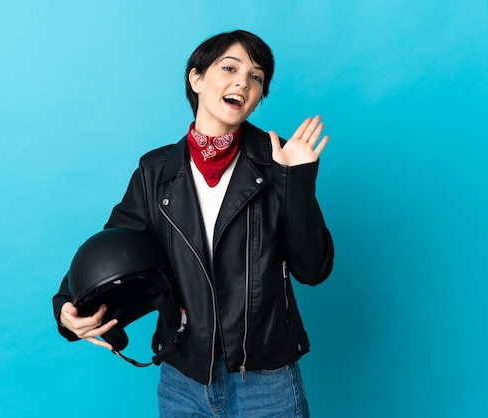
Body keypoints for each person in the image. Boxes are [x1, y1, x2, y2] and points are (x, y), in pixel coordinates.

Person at [52, 29, 334, 417]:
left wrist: (297, 181)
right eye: (230, 68)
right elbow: (116, 245)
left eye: (256, 77)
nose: (243, 82)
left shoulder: (279, 161)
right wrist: (68, 303)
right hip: (183, 378)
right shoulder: (155, 171)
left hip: (266, 380)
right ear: (197, 78)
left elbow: (313, 269)